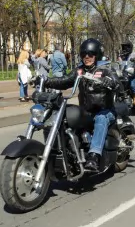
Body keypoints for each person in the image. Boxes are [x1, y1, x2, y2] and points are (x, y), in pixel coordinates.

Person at [43, 38, 120, 171]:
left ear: (96, 55)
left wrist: (111, 83)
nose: (87, 57)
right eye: (84, 55)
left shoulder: (106, 69)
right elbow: (65, 81)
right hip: (86, 111)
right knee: (67, 119)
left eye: (90, 54)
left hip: (105, 111)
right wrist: (46, 81)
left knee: (100, 119)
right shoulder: (80, 71)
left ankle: (94, 156)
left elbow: (118, 83)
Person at [119, 41, 135, 107]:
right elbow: (119, 64)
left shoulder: (134, 55)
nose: (124, 49)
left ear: (130, 47)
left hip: (133, 76)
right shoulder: (122, 56)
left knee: (132, 84)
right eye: (123, 47)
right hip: (124, 75)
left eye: (126, 47)